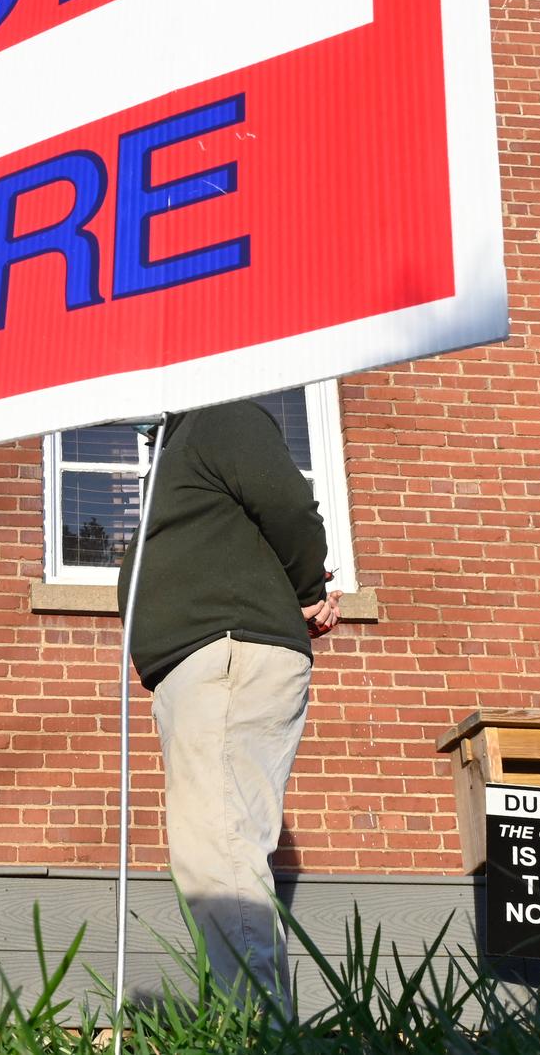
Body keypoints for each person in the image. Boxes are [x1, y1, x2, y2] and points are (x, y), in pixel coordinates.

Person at [118, 399, 341, 1013]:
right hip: (205, 660)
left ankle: (258, 1027)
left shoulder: (219, 415)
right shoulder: (180, 445)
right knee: (218, 845)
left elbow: (289, 507)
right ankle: (252, 1018)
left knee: (217, 844)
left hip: (227, 652)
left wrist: (308, 590)